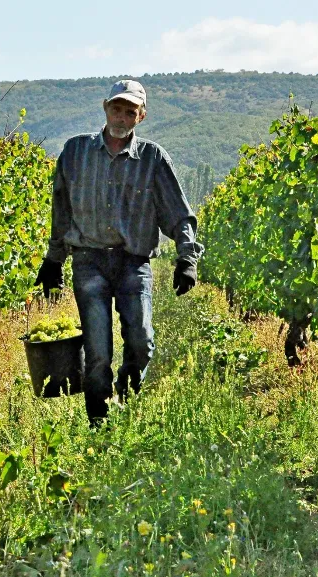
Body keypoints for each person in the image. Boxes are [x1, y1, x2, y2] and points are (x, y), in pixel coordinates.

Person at [34, 79, 204, 426]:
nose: (122, 117)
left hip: (133, 262)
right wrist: (54, 259)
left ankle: (125, 397)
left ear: (141, 116)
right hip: (89, 262)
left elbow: (177, 212)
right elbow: (61, 211)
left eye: (130, 111)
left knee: (141, 343)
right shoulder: (75, 152)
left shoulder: (153, 159)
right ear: (105, 107)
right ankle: (99, 420)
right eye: (117, 108)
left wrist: (187, 257)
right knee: (97, 351)